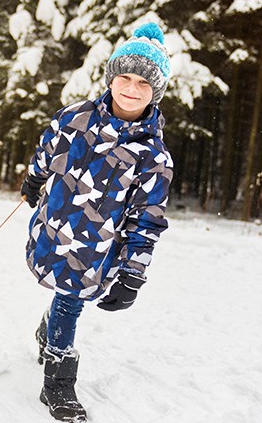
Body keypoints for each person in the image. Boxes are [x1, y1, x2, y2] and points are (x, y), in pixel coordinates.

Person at [20, 22, 174, 422]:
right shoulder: (74, 118)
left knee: (71, 301)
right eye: (125, 76)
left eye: (144, 82)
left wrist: (133, 275)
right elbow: (46, 149)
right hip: (54, 229)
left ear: (156, 91)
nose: (132, 87)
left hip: (96, 247)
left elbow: (147, 221)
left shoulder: (152, 157)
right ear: (111, 77)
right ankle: (49, 331)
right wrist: (34, 179)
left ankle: (57, 385)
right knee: (64, 297)